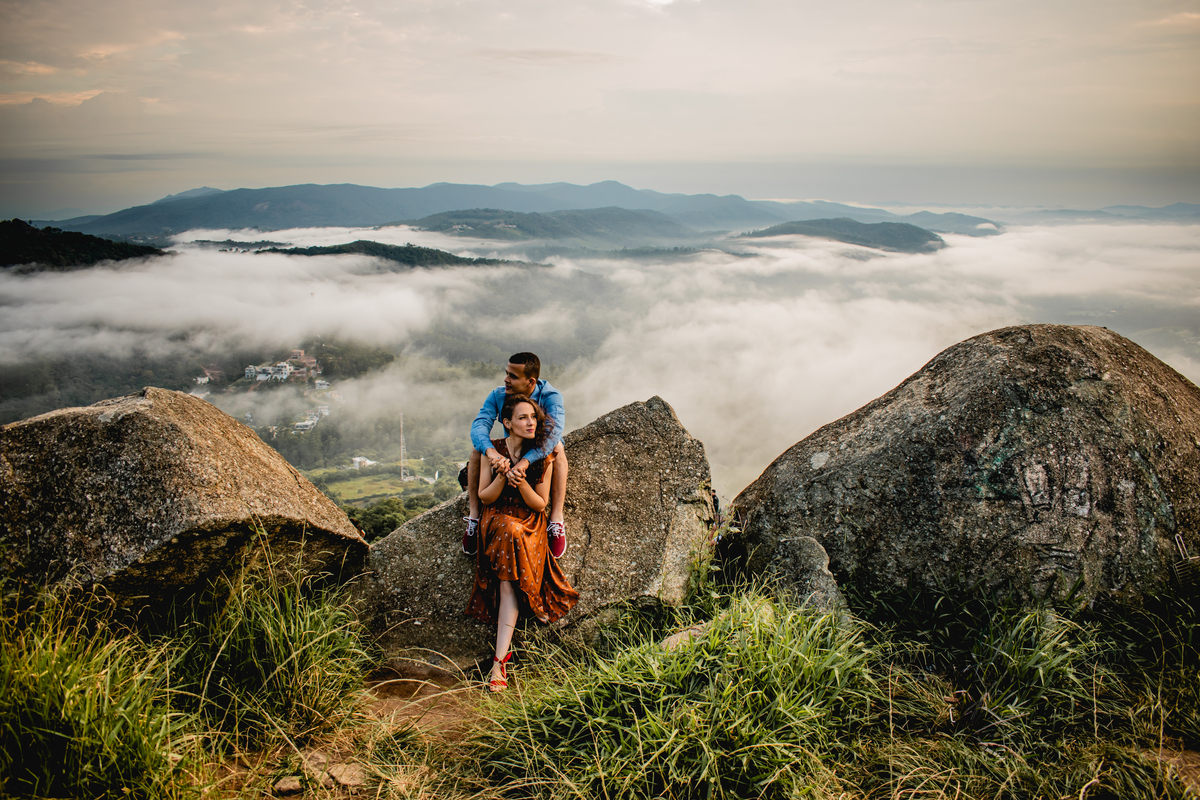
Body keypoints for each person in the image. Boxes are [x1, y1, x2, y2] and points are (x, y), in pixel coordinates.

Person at [464, 393, 579, 692]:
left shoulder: (541, 454)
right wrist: (503, 474)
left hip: (529, 521)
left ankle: (498, 663)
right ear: (507, 423)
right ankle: (501, 658)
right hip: (497, 518)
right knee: (507, 532)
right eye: (523, 418)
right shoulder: (494, 450)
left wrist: (521, 478)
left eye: (533, 417)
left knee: (512, 549)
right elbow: (485, 496)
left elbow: (540, 503)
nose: (530, 423)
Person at [463, 353, 569, 559]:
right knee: (477, 448)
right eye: (506, 373)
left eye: (512, 376)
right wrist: (491, 452)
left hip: (536, 452)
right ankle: (474, 516)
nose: (506, 379)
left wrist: (526, 461)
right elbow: (479, 426)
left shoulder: (550, 396)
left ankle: (556, 518)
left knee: (558, 447)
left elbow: (553, 433)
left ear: (530, 382)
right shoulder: (498, 395)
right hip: (510, 451)